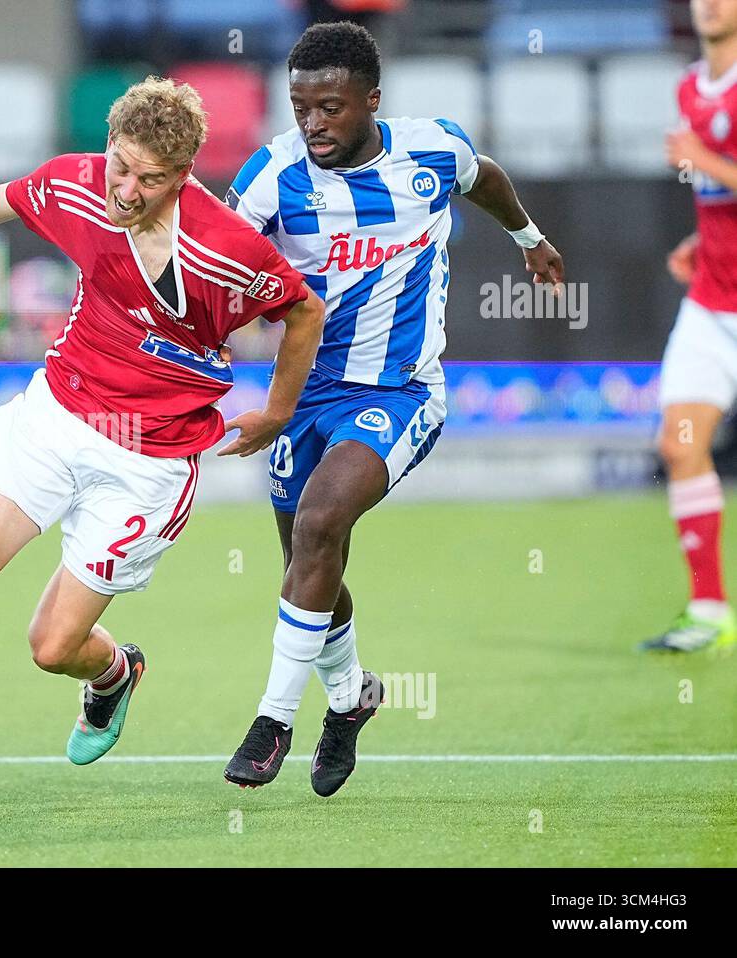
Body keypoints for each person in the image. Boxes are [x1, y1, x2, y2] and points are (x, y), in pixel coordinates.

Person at [0, 77, 325, 813]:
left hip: (150, 462)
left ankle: (113, 673)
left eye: (151, 179)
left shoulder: (228, 250)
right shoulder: (73, 186)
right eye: (121, 166)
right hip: (57, 418)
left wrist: (277, 412)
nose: (127, 190)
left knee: (52, 647)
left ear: (186, 173)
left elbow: (303, 313)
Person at [222, 21, 564, 794]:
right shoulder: (274, 174)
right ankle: (351, 699)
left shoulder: (431, 151)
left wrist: (528, 238)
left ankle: (272, 721)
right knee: (306, 561)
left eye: (331, 109)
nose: (313, 125)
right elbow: (216, 263)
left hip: (401, 392)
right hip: (302, 397)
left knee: (317, 526)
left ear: (372, 100)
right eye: (301, 107)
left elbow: (486, 178)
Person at [644, 0, 737, 652]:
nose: (708, 2)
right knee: (680, 444)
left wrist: (708, 163)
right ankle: (709, 609)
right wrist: (699, 243)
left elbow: (715, 175)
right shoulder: (687, 85)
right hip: (711, 303)